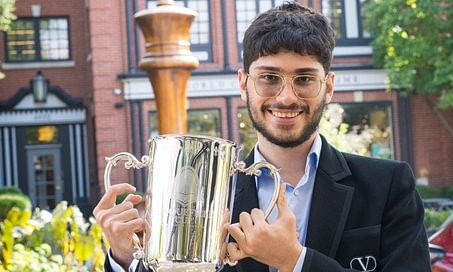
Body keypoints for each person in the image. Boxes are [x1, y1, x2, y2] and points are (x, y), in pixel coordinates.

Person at [93, 2, 431, 271]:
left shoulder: (388, 187)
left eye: (304, 79)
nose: (286, 97)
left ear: (328, 87)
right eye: (269, 77)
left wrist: (295, 262)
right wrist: (124, 259)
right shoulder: (206, 190)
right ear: (244, 83)